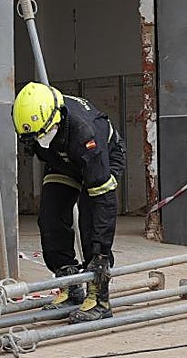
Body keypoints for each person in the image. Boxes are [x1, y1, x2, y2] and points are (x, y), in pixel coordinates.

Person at [12, 83, 125, 323]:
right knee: (50, 218)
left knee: (91, 217)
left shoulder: (86, 133)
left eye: (43, 135)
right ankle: (70, 286)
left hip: (100, 156)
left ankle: (99, 297)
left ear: (57, 119)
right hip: (63, 159)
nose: (40, 141)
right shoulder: (38, 126)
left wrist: (100, 253)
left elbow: (104, 204)